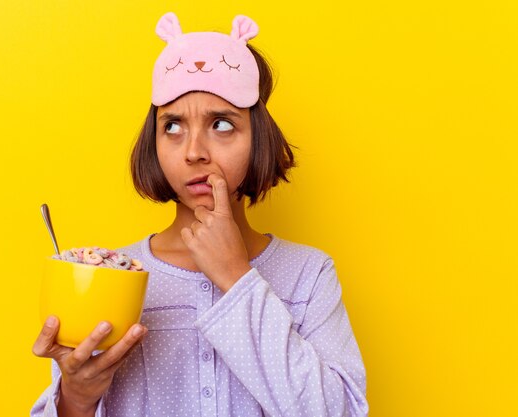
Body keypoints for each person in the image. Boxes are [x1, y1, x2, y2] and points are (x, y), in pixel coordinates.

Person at [31, 12, 368, 417]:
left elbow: (343, 412)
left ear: (258, 139)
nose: (194, 152)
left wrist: (236, 277)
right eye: (172, 126)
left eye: (222, 124)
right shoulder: (111, 280)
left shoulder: (308, 275)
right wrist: (75, 400)